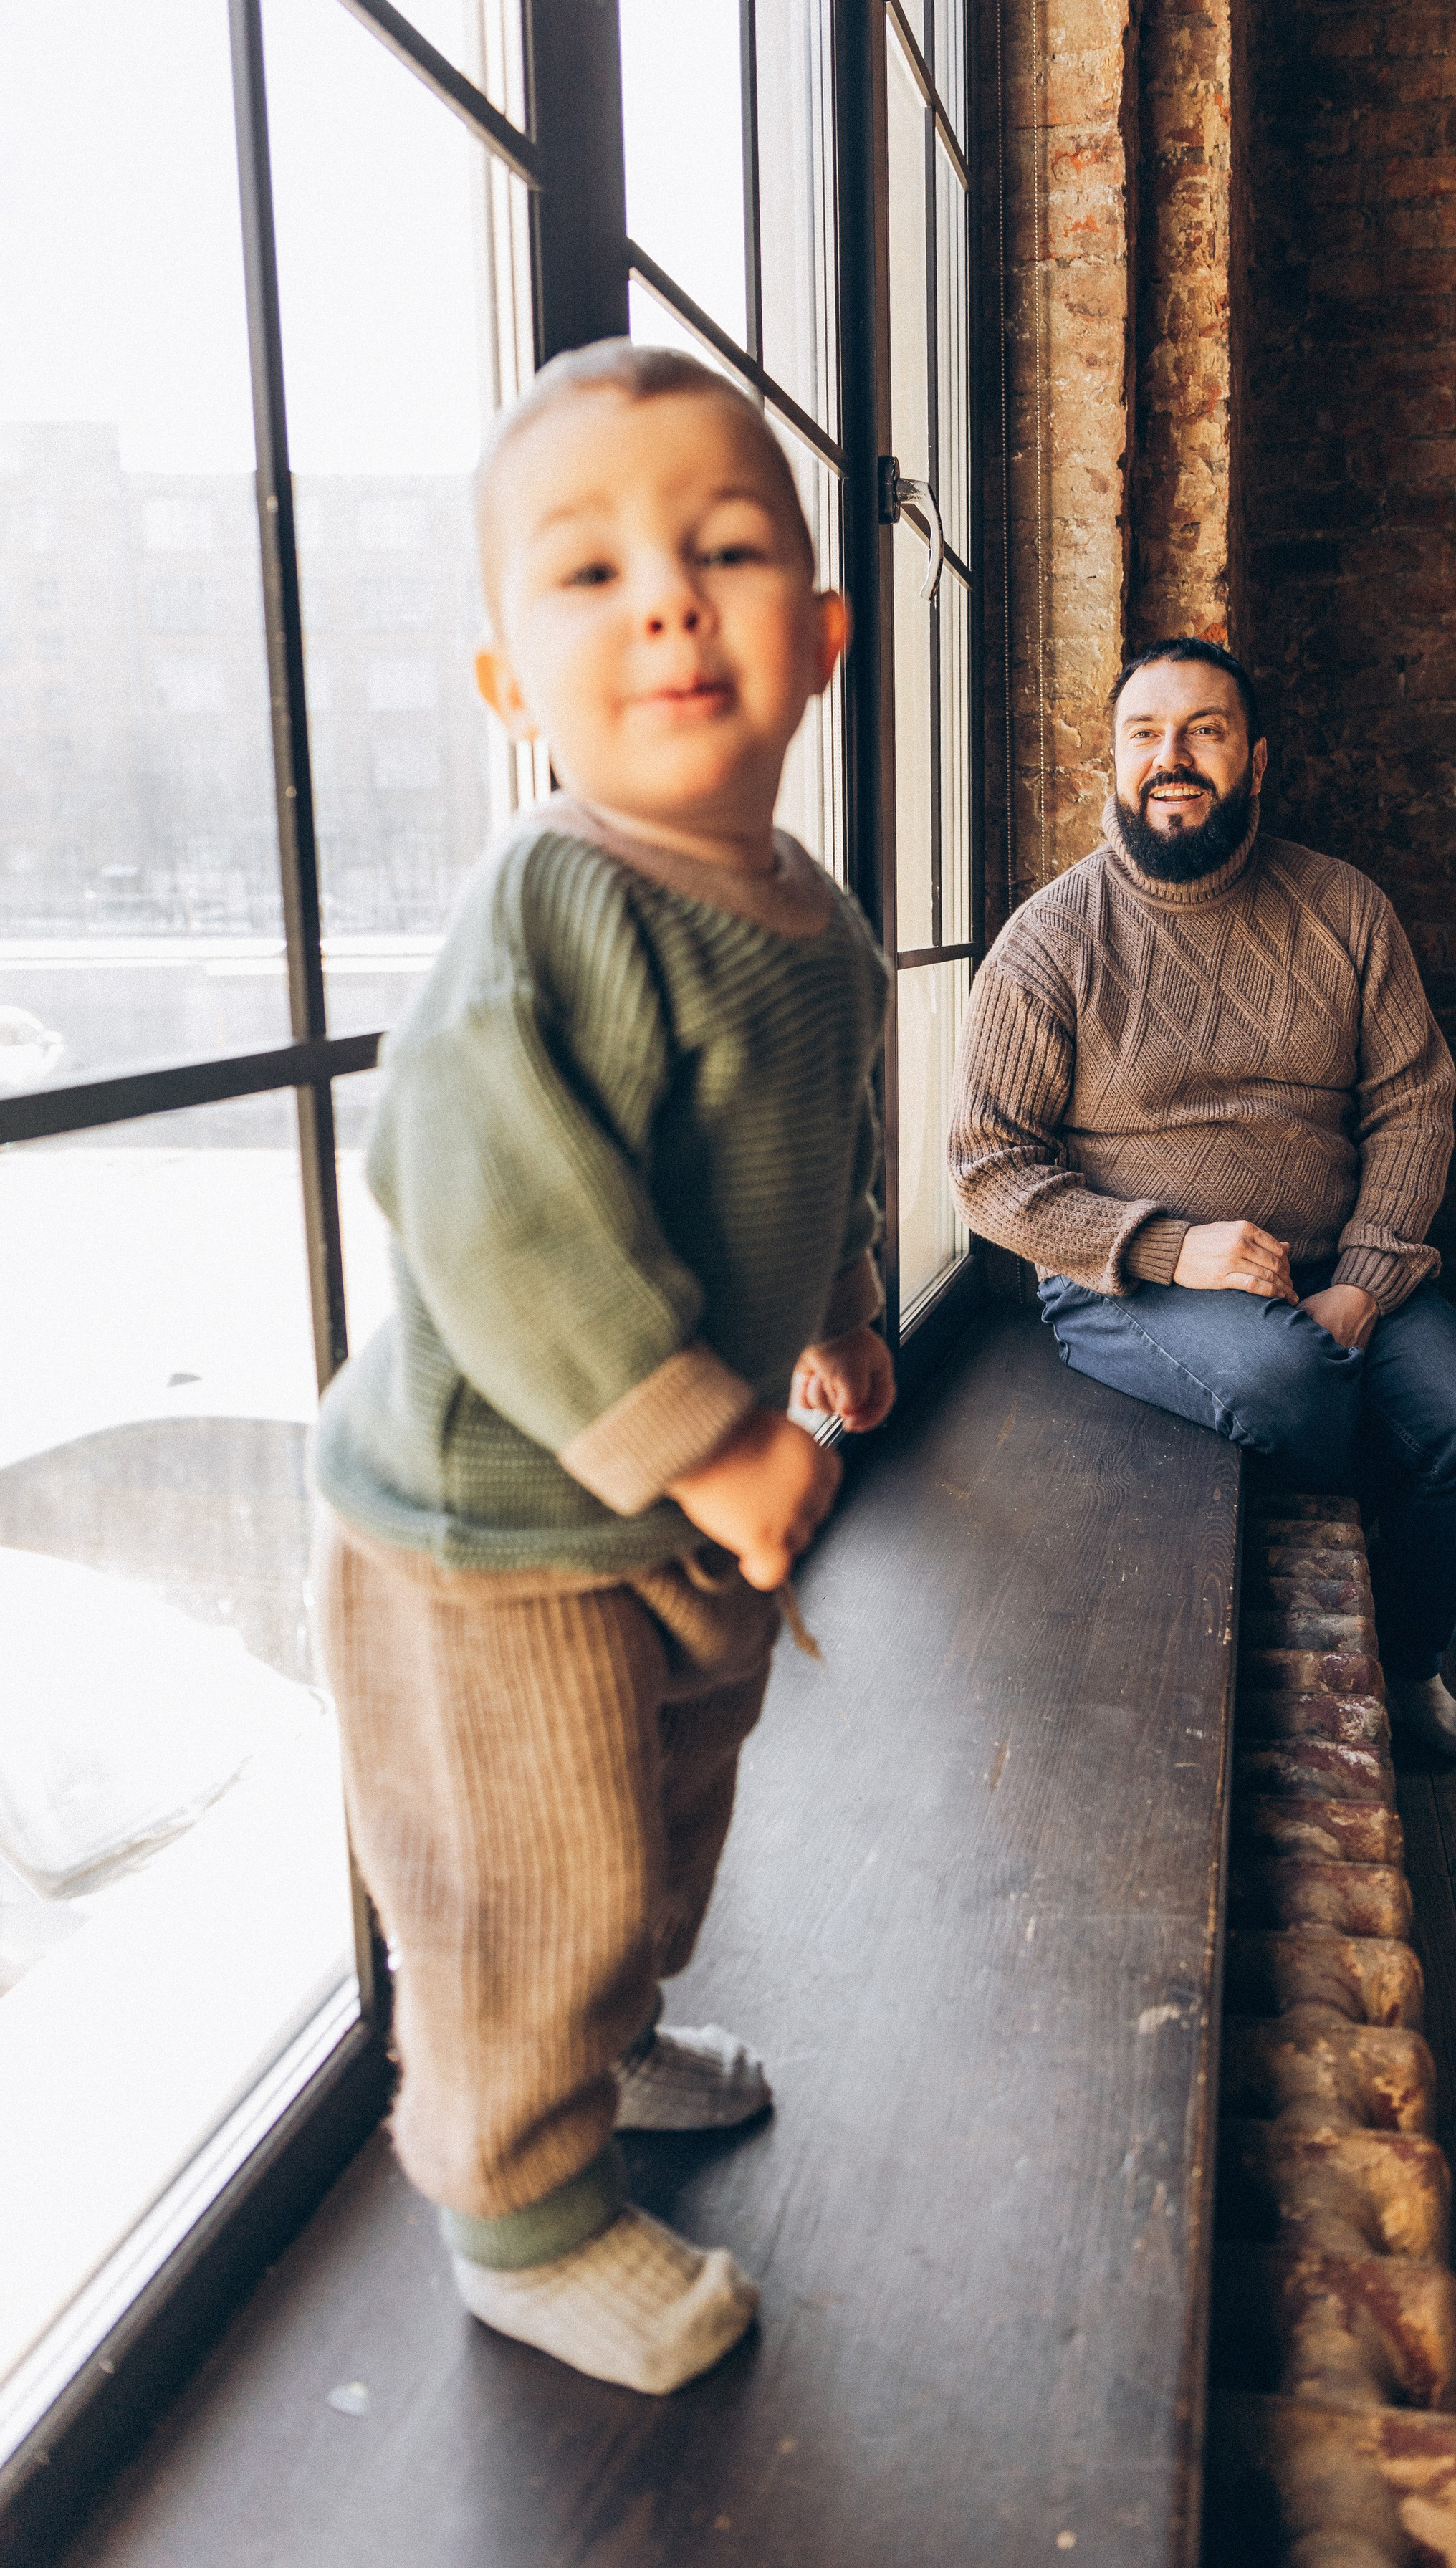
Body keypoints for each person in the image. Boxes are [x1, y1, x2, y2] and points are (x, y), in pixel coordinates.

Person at [311, 341, 893, 2395]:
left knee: (666, 1809)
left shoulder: (814, 920)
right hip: (504, 1521)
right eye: (588, 572)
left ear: (819, 639)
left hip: (690, 1488)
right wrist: (705, 1434)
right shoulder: (547, 910)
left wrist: (838, 1314)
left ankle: (616, 2042)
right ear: (506, 686)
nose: (664, 596)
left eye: (722, 550)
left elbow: (822, 1139)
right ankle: (522, 2211)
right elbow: (486, 1205)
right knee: (526, 1866)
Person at [948, 637, 1456, 1756]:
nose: (1172, 758)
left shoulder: (1346, 911)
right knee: (1286, 1380)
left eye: (1205, 732)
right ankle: (1311, 1657)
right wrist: (1176, 1249)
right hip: (1133, 1285)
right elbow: (985, 1164)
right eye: (1145, 734)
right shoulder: (1049, 943)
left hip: (1343, 1270)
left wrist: (1365, 1285)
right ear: (1112, 762)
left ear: (1257, 762)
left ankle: (1406, 1669)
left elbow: (1417, 1105)